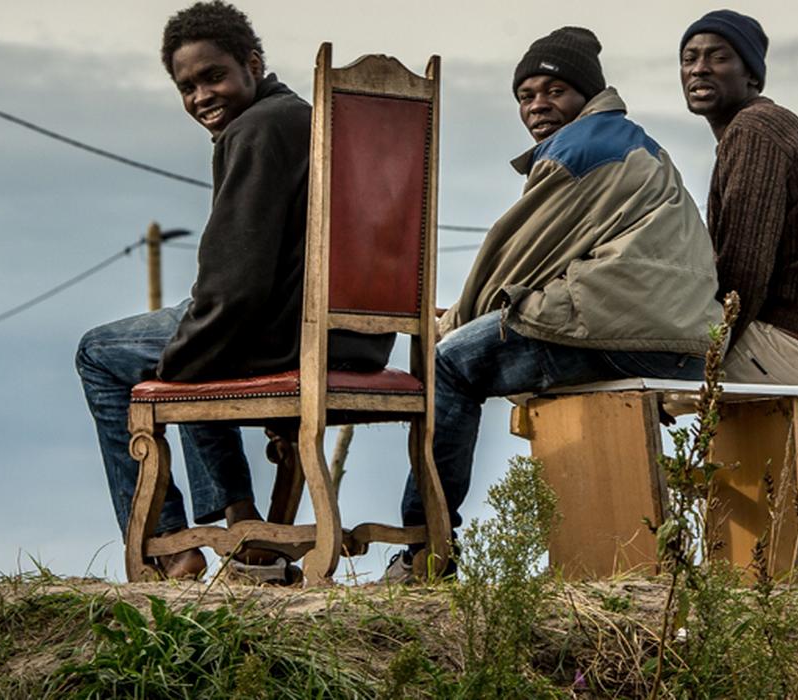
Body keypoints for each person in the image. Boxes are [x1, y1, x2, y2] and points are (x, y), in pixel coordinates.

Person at [384, 27, 722, 581]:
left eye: (554, 91)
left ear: (586, 95)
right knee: (499, 338)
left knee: (449, 364)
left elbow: (510, 262)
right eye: (526, 95)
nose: (537, 105)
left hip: (620, 333)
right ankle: (606, 554)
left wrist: (453, 323)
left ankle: (426, 550)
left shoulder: (580, 149)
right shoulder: (637, 144)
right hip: (685, 341)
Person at [75, 1, 392, 580]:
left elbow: (234, 289)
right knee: (193, 343)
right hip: (357, 339)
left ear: (253, 64)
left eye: (213, 76)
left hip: (283, 336)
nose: (201, 97)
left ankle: (167, 545)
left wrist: (180, 361)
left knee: (103, 352)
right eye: (187, 87)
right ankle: (243, 529)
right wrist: (189, 349)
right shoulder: (315, 120)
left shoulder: (255, 131)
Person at [679, 10, 798, 385]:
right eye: (689, 58)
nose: (699, 68)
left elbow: (744, 268)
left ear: (751, 75)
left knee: (644, 365)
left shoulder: (756, 130)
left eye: (718, 57)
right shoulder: (767, 125)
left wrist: (705, 355)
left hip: (794, 347)